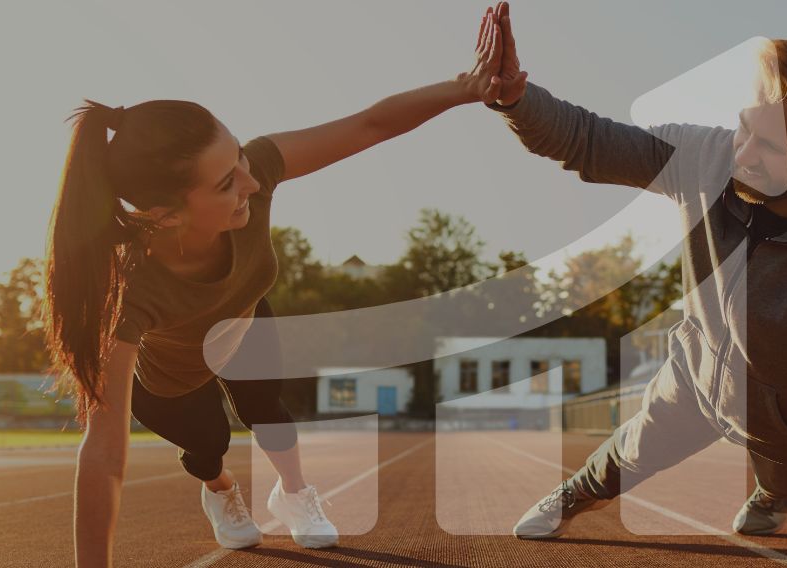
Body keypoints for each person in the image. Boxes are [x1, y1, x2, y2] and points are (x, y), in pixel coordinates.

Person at [47, 8, 512, 566]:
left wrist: (467, 87)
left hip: (242, 320)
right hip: (170, 376)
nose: (250, 180)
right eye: (225, 183)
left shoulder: (256, 173)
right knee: (208, 444)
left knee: (269, 411)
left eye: (239, 156)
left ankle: (293, 495)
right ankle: (221, 493)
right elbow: (104, 452)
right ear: (165, 216)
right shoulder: (128, 292)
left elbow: (369, 124)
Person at [480, 4, 787, 567]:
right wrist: (516, 98)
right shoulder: (706, 156)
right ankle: (575, 493)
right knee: (626, 454)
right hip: (697, 377)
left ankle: (773, 491)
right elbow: (589, 141)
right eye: (746, 128)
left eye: (773, 148)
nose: (743, 155)